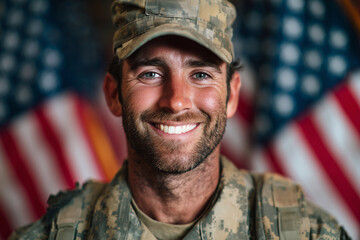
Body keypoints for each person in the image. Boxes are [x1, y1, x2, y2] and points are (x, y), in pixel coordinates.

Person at [10, 0, 350, 239]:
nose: (176, 100)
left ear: (231, 95)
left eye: (200, 74)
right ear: (114, 94)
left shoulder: (309, 234)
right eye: (151, 74)